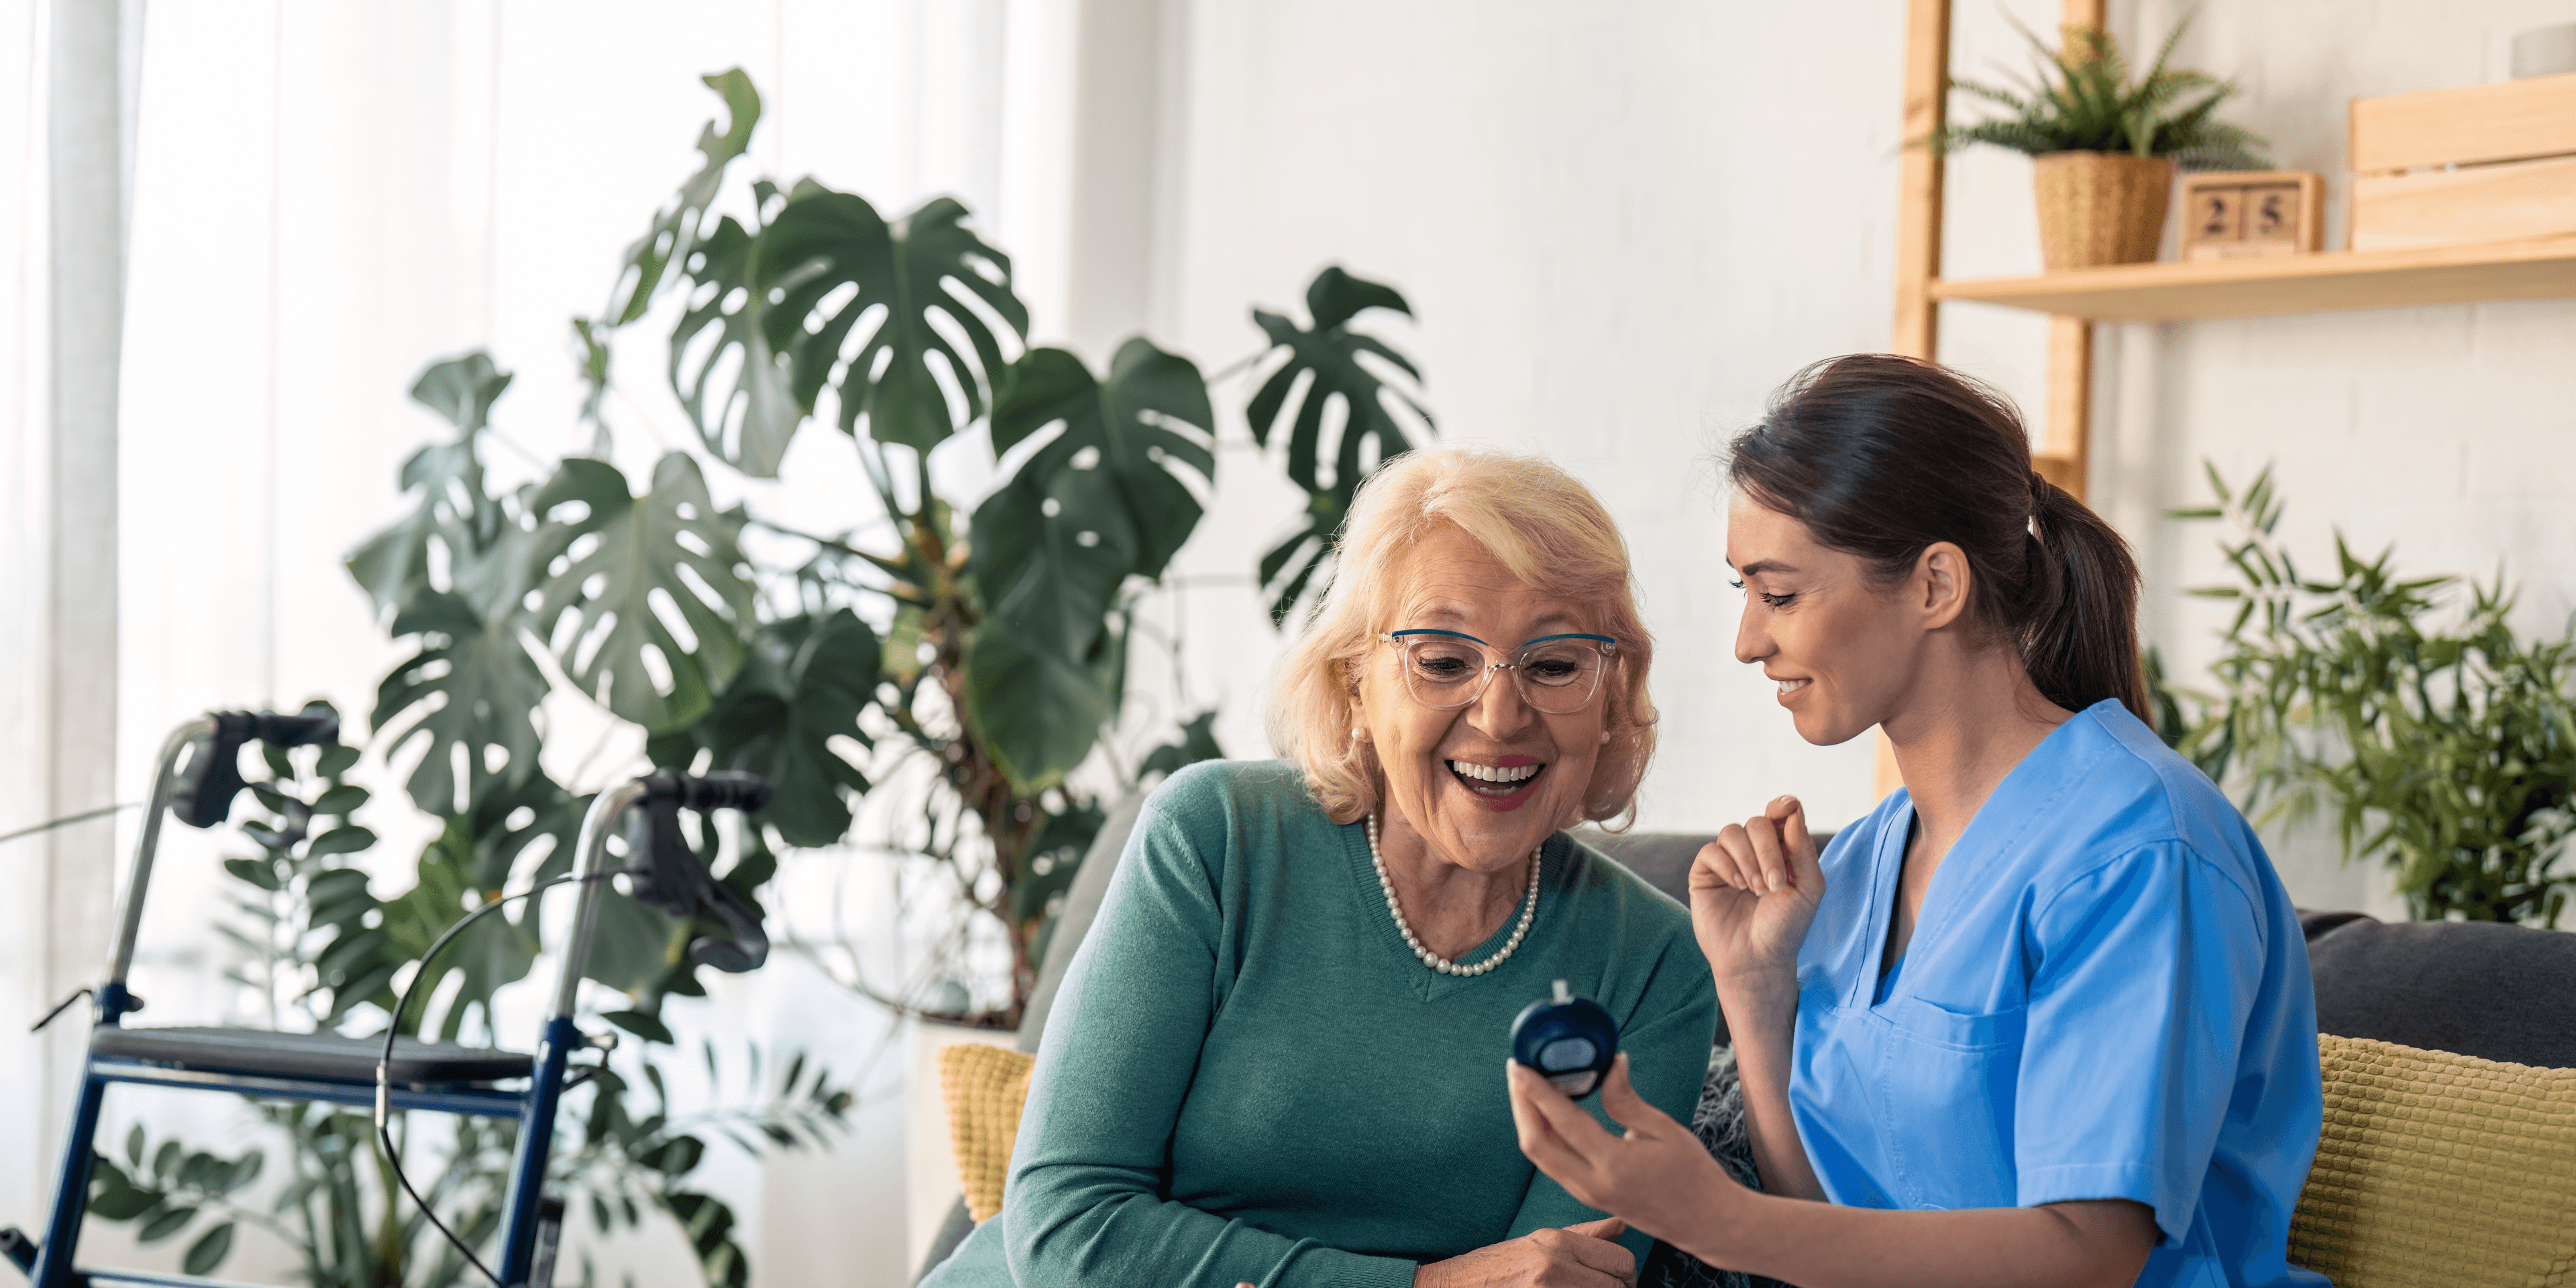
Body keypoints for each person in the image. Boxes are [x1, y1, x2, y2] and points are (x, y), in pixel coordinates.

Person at [1503, 354, 2326, 1288]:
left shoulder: (2142, 852)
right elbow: (1824, 1236)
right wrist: (1760, 994)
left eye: (1779, 594)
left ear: (1936, 584)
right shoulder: (1855, 867)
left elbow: (2089, 1255)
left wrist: (1716, 1219)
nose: (1747, 641)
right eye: (1745, 595)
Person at [920, 445, 1718, 1288]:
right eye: (1443, 661)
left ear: (1610, 695)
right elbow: (1066, 1229)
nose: (1500, 715)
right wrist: (1423, 1287)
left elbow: (1561, 1279)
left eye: (1555, 665)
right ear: (1354, 685)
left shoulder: (1655, 967)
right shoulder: (1215, 840)